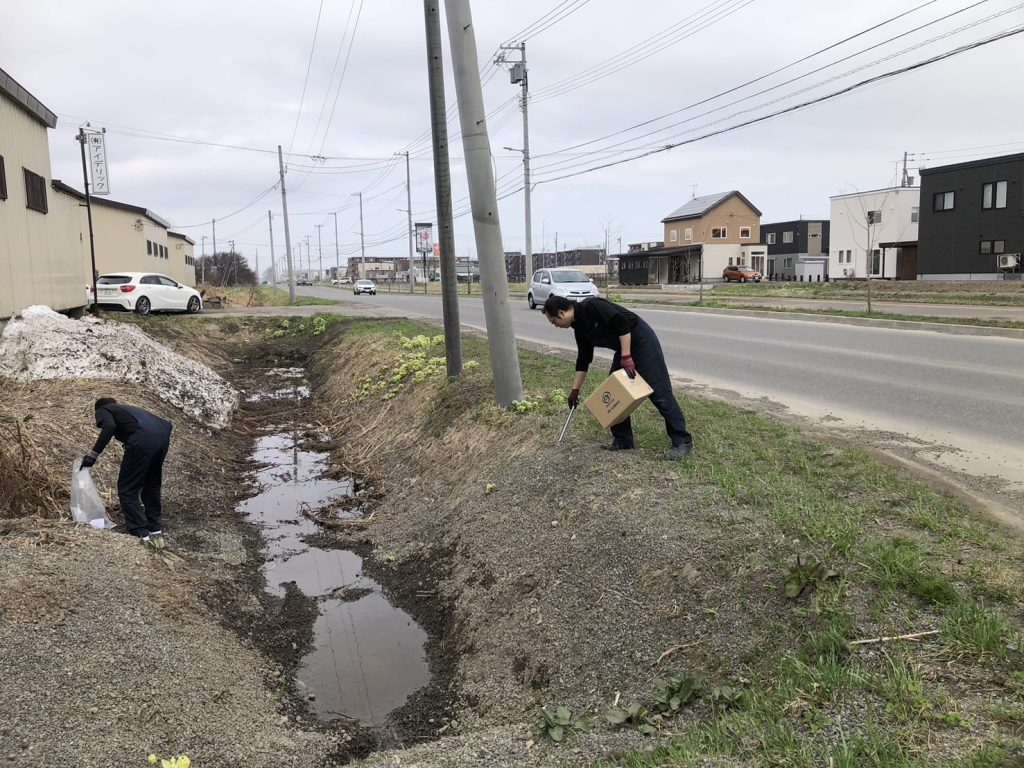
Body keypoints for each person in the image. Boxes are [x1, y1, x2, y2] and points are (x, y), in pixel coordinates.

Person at [543, 295, 693, 459]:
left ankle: (682, 441)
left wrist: (627, 357)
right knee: (615, 392)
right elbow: (583, 360)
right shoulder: (579, 328)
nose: (555, 326)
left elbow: (622, 323)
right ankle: (623, 440)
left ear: (560, 313)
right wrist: (575, 391)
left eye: (553, 322)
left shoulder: (591, 306)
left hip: (641, 341)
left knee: (660, 392)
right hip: (623, 349)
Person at [81, 398, 173, 547]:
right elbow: (167, 425)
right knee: (151, 485)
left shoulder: (104, 409)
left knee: (127, 489)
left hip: (142, 440)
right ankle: (155, 530)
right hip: (162, 438)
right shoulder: (131, 410)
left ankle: (141, 534)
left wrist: (92, 456)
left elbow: (109, 427)